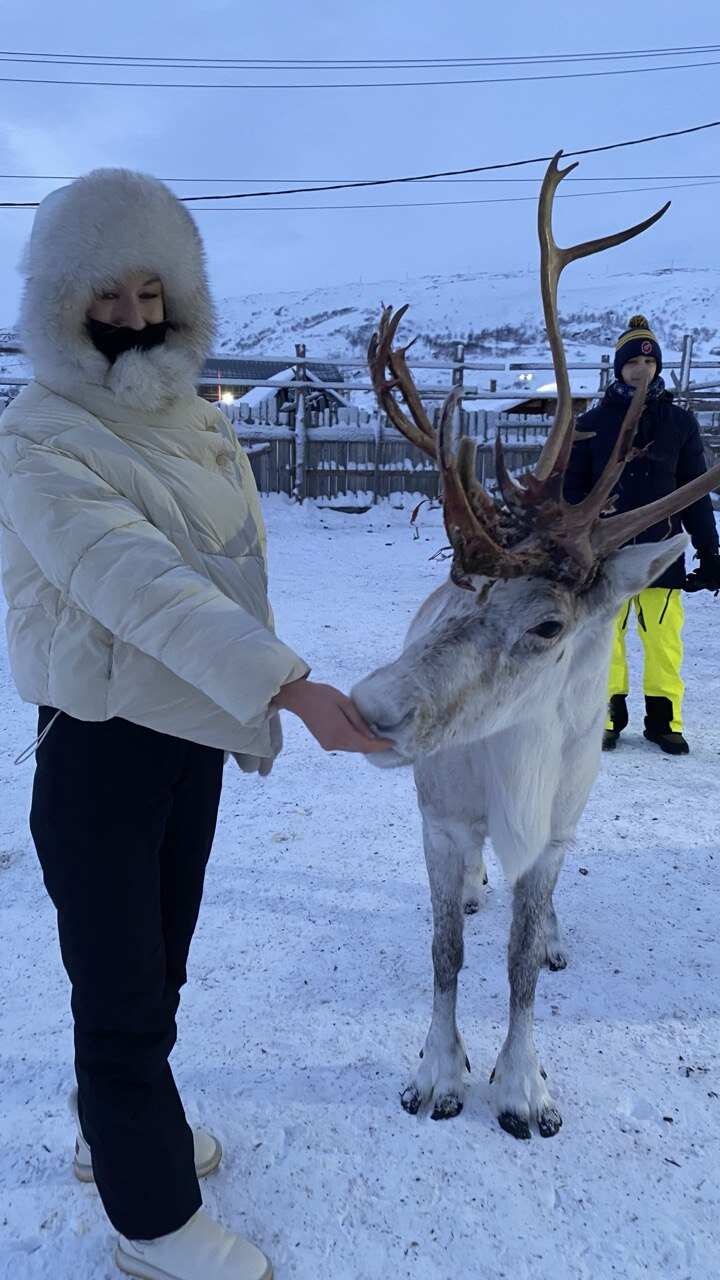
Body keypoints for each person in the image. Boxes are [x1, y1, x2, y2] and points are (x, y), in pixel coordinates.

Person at [0, 169, 390, 1280]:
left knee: (157, 964)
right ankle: (152, 1220)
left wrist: (247, 690)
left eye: (149, 288)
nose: (131, 314)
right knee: (118, 987)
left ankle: (115, 1129)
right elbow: (142, 586)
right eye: (105, 293)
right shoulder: (37, 436)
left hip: (189, 732)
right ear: (61, 302)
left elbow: (229, 565)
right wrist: (291, 686)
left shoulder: (186, 419)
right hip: (102, 742)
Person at [564, 314, 720, 755]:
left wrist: (710, 551)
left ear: (658, 368)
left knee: (663, 640)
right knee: (604, 638)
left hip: (662, 552)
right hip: (606, 554)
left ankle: (664, 719)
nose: (641, 369)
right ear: (619, 368)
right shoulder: (592, 422)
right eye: (632, 362)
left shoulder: (678, 424)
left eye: (649, 363)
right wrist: (573, 544)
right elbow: (573, 491)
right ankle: (607, 716)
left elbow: (694, 490)